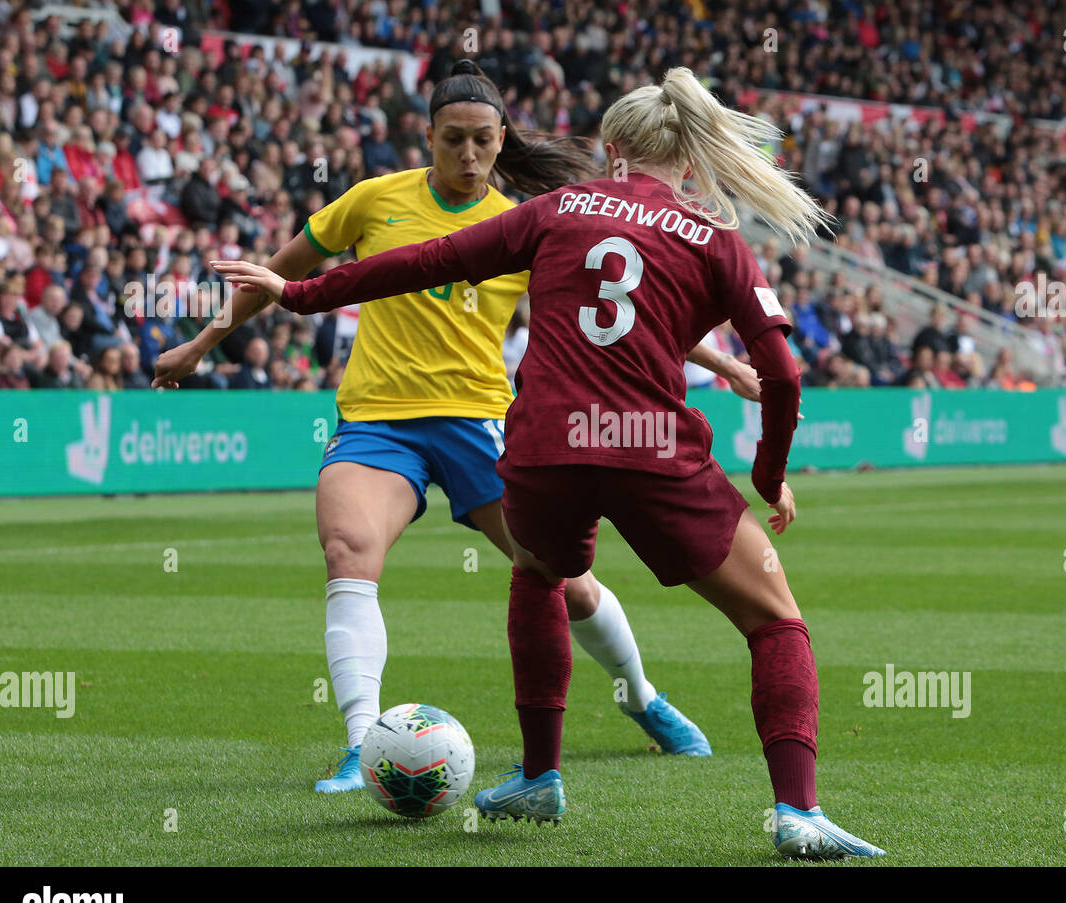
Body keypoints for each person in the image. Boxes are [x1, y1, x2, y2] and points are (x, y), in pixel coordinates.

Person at [214, 66, 886, 860]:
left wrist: (298, 295)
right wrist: (770, 476)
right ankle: (797, 814)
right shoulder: (716, 239)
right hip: (647, 447)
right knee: (776, 620)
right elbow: (783, 373)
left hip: (544, 447)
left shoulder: (552, 209)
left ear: (610, 149)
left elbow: (423, 264)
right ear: (691, 158)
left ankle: (539, 775)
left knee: (538, 573)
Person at [153, 61, 758, 795]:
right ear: (428, 137)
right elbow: (276, 276)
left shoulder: (529, 221)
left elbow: (622, 303)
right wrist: (199, 343)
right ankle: (361, 744)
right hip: (378, 420)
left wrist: (723, 366)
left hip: (481, 422)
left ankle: (642, 696)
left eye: (481, 141)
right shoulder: (372, 202)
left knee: (565, 582)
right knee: (348, 550)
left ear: (502, 138)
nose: (468, 157)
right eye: (452, 141)